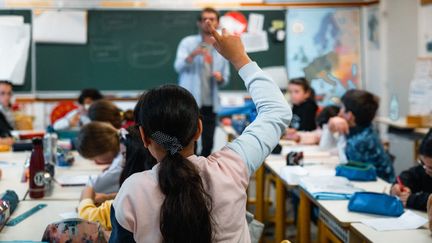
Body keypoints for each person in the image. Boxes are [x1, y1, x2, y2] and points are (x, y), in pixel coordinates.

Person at [109, 20, 291, 242]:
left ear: (145, 137)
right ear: (199, 130)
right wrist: (239, 58)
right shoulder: (231, 168)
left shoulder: (132, 192)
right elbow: (277, 110)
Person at [174, 7, 230, 157]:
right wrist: (192, 55)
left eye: (212, 19)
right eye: (205, 19)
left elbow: (226, 78)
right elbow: (178, 66)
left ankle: (202, 175)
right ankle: (189, 174)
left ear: (217, 22)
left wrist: (220, 78)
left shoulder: (222, 46)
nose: (208, 22)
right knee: (188, 142)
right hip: (190, 102)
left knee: (208, 143)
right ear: (199, 23)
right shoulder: (188, 42)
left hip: (210, 103)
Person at [78, 125, 157, 230]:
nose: (121, 162)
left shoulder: (134, 196)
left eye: (124, 155)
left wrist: (86, 194)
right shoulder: (151, 185)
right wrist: (109, 197)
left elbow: (88, 219)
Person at [328, 90, 395, 182]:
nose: (339, 113)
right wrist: (331, 124)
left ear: (349, 115)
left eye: (342, 108)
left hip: (378, 189)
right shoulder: (365, 129)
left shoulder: (360, 141)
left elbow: (345, 165)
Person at [76, 122, 123, 194]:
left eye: (94, 158)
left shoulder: (121, 163)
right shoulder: (124, 137)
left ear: (101, 150)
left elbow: (93, 187)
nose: (96, 161)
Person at [391, 129, 432, 211]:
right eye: (422, 163)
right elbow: (411, 174)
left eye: (431, 167)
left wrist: (412, 200)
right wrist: (401, 186)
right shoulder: (425, 168)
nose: (426, 170)